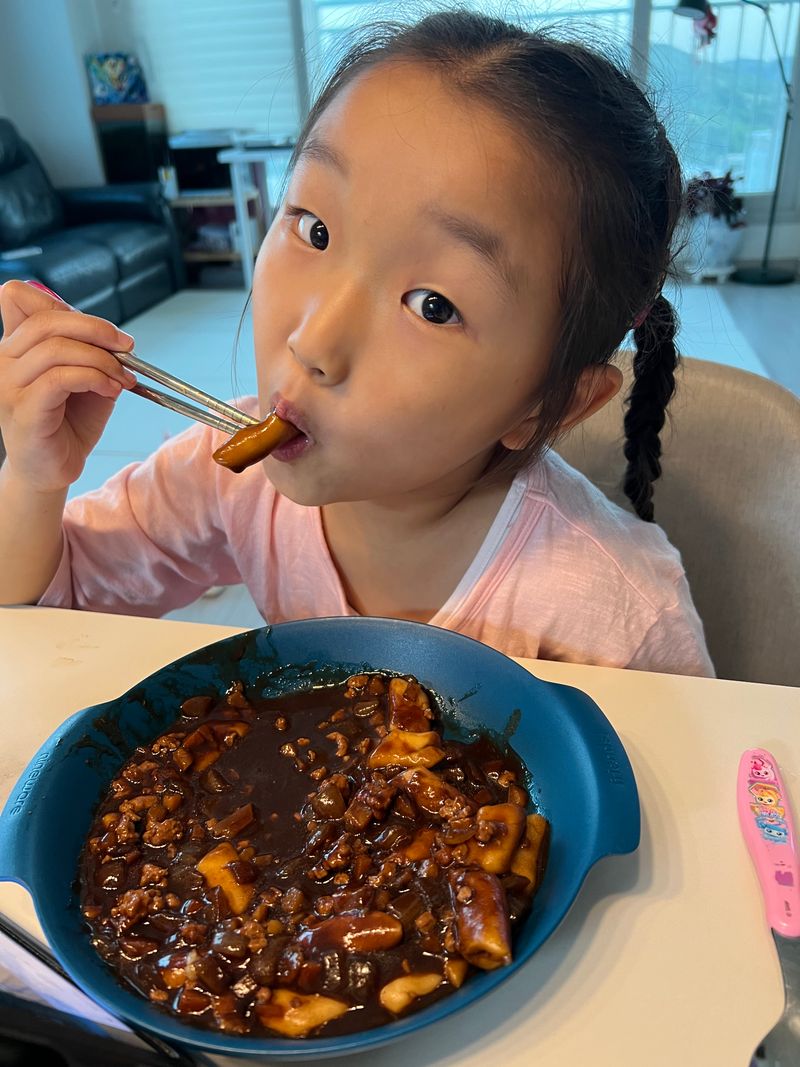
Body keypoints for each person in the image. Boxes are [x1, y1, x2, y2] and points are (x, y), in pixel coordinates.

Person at [0, 9, 714, 676]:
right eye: (314, 229)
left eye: (433, 305)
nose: (313, 341)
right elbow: (51, 609)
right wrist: (34, 479)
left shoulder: (620, 617)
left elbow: (687, 770)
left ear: (549, 403)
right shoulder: (228, 477)